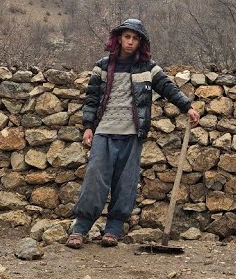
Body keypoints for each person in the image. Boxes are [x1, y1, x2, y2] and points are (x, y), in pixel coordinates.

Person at [66, 18, 199, 248]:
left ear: (141, 42)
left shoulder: (148, 68)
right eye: (127, 37)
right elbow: (91, 98)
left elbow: (168, 87)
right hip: (105, 131)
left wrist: (187, 107)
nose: (130, 42)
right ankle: (80, 229)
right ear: (118, 38)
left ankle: (113, 230)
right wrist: (88, 126)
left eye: (135, 38)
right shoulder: (103, 65)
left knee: (125, 183)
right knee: (95, 179)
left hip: (132, 133)